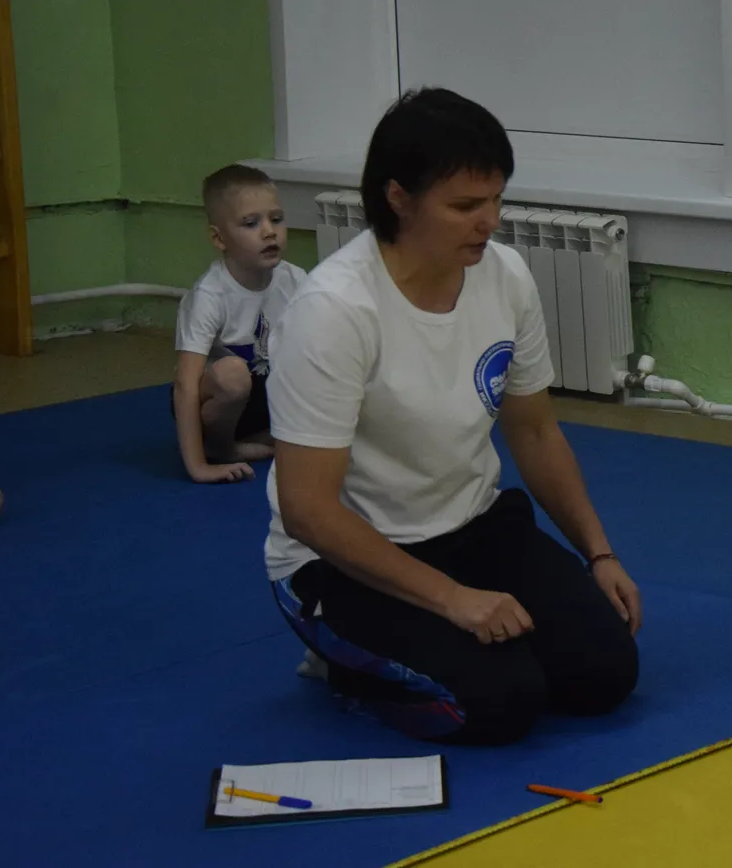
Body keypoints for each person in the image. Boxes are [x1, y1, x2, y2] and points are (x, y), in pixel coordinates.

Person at [262, 87, 641, 745]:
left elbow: (534, 430)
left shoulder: (506, 276)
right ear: (399, 198)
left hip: (470, 527)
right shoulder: (334, 311)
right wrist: (451, 599)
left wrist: (598, 553)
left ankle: (443, 640)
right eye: (465, 206)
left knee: (604, 674)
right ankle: (341, 660)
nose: (489, 221)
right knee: (502, 704)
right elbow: (308, 512)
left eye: (496, 200)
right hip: (344, 559)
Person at [172, 164, 307, 483]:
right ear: (219, 238)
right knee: (232, 374)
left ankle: (267, 436)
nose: (269, 232)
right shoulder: (210, 295)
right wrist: (197, 467)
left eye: (276, 219)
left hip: (265, 399)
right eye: (251, 223)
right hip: (219, 401)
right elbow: (185, 385)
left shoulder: (295, 280)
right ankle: (221, 448)